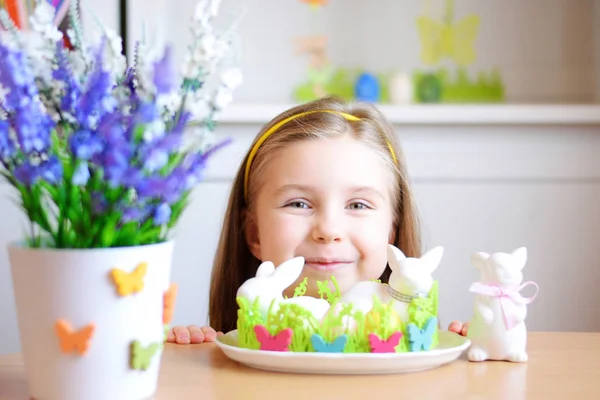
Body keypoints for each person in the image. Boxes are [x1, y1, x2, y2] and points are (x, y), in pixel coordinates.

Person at [166, 96, 468, 344]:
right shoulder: (223, 354)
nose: (329, 230)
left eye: (358, 204)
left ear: (392, 231)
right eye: (298, 203)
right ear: (254, 233)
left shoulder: (425, 348)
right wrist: (191, 353)